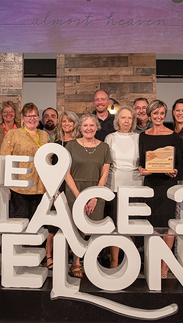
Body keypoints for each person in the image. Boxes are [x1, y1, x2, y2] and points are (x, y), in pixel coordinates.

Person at [138, 99, 182, 278]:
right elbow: (141, 161)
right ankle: (154, 262)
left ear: (165, 115)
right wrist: (142, 170)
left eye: (161, 113)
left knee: (168, 226)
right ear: (149, 115)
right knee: (153, 225)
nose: (158, 116)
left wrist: (173, 171)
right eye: (155, 113)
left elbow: (177, 161)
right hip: (150, 185)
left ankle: (165, 266)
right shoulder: (144, 136)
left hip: (167, 185)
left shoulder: (173, 135)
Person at [65, 114, 112, 278]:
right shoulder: (70, 145)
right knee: (76, 227)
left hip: (96, 191)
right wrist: (80, 197)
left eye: (92, 125)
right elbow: (66, 173)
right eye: (85, 125)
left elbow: (104, 174)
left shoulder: (104, 147)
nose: (89, 128)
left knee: (93, 227)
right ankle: (76, 261)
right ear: (80, 127)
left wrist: (94, 197)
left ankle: (91, 261)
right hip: (74, 190)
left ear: (97, 127)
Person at [104, 106, 143, 268]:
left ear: (133, 121)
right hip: (114, 186)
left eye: (129, 118)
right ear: (117, 120)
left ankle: (129, 260)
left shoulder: (140, 138)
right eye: (123, 118)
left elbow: (144, 161)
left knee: (131, 224)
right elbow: (106, 163)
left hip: (135, 185)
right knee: (116, 225)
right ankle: (114, 260)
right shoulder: (110, 138)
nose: (126, 121)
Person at [0, 102, 50, 220]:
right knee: (19, 222)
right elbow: (4, 159)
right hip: (19, 187)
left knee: (37, 223)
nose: (32, 119)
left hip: (40, 186)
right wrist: (5, 186)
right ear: (22, 118)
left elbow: (49, 160)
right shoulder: (13, 134)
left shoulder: (44, 135)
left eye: (35, 116)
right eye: (29, 116)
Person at [45, 110, 79, 270]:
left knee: (72, 223)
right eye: (64, 121)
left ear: (75, 124)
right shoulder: (55, 144)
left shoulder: (80, 143)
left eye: (70, 121)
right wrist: (54, 189)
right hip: (58, 187)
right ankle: (49, 256)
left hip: (74, 187)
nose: (67, 124)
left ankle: (71, 257)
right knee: (53, 224)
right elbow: (50, 169)